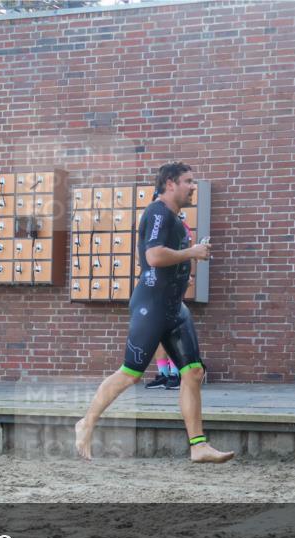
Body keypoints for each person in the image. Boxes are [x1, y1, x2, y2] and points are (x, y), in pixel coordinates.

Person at [75, 163, 234, 464]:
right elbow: (153, 255)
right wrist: (191, 254)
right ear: (171, 183)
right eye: (188, 181)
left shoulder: (175, 218)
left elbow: (167, 260)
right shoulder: (158, 212)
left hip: (175, 308)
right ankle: (86, 423)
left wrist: (185, 268)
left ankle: (198, 446)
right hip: (152, 307)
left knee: (193, 372)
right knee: (129, 375)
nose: (193, 186)